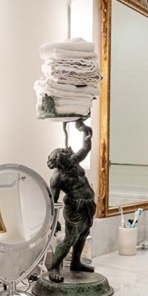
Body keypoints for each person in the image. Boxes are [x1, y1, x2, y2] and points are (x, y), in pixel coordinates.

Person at [46, 119, 96, 282]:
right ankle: (54, 267)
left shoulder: (74, 162)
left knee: (83, 235)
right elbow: (52, 201)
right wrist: (53, 221)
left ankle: (75, 262)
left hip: (87, 206)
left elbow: (86, 148)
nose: (69, 150)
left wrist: (85, 132)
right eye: (65, 151)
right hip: (74, 209)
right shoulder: (57, 177)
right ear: (60, 159)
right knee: (71, 238)